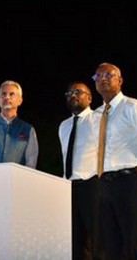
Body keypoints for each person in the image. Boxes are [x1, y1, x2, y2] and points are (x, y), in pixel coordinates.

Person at [92, 62, 137, 260]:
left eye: (109, 74)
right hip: (103, 184)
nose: (103, 78)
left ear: (120, 81)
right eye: (98, 75)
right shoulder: (96, 115)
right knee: (110, 246)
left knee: (133, 245)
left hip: (130, 182)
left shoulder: (134, 107)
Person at [58, 81, 103, 260]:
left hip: (92, 184)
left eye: (78, 92)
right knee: (74, 240)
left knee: (97, 238)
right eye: (69, 93)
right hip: (68, 187)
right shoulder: (63, 125)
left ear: (90, 97)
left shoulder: (98, 120)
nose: (73, 95)